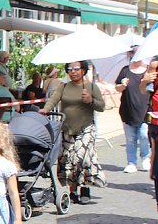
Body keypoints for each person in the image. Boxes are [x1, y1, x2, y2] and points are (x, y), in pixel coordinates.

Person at [41, 61, 106, 204]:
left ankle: (84, 188)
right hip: (67, 129)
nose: (73, 72)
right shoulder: (63, 87)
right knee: (67, 160)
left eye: (76, 69)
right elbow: (53, 100)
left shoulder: (91, 87)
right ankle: (72, 190)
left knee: (81, 158)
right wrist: (46, 109)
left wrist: (91, 100)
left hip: (86, 128)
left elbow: (101, 106)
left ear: (83, 70)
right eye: (70, 69)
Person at [115, 58, 150, 173]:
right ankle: (131, 162)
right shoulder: (125, 70)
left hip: (145, 109)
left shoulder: (149, 70)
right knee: (130, 139)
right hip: (128, 109)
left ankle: (145, 157)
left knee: (144, 135)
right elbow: (117, 87)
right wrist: (122, 85)